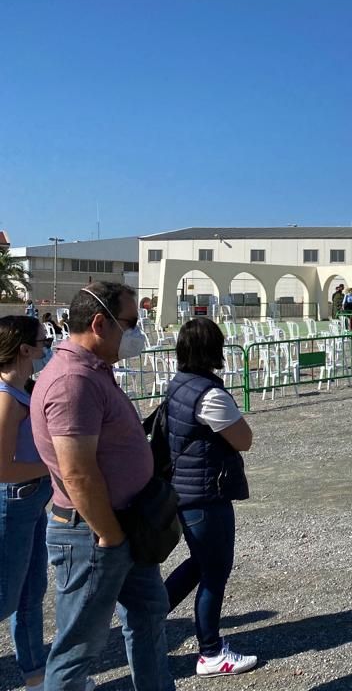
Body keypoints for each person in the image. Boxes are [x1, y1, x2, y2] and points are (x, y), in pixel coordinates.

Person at [30, 283, 174, 691]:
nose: (136, 332)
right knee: (77, 649)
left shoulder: (92, 371)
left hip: (122, 526)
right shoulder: (72, 382)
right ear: (99, 323)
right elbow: (77, 472)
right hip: (94, 532)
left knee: (148, 617)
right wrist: (110, 536)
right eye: (130, 323)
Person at [163, 318, 256, 677]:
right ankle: (211, 652)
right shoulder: (210, 394)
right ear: (214, 350)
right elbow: (243, 439)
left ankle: (150, 616)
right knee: (214, 571)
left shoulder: (178, 384)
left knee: (200, 563)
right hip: (205, 494)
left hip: (185, 490)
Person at [1, 317, 53, 689]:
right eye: (41, 340)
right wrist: (54, 465)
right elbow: (3, 468)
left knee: (31, 593)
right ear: (24, 349)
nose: (46, 345)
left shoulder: (20, 389)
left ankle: (37, 676)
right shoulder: (6, 398)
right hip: (14, 503)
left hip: (32, 502)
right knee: (5, 597)